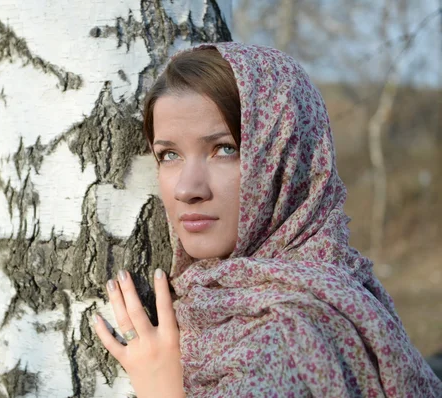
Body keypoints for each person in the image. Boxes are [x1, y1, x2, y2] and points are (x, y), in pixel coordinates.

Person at [92, 42, 442, 397]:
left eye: (225, 149)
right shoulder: (335, 285)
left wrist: (161, 390)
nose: (187, 189)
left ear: (287, 159)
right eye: (169, 155)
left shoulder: (289, 338)